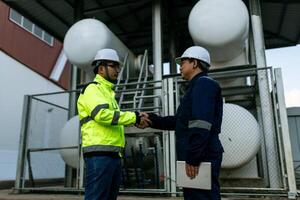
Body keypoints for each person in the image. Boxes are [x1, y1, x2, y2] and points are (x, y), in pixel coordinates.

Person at [143, 46, 224, 200]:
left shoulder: (204, 84)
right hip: (199, 153)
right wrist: (151, 120)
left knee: (201, 197)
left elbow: (201, 124)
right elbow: (180, 121)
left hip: (200, 155)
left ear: (195, 63)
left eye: (184, 62)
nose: (181, 66)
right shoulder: (196, 86)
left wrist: (193, 158)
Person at [77, 48, 147, 200]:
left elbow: (114, 119)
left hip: (112, 154)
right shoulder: (93, 89)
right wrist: (134, 117)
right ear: (101, 68)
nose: (118, 70)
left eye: (118, 67)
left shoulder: (109, 94)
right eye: (114, 66)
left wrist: (134, 119)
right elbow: (101, 115)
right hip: (99, 155)